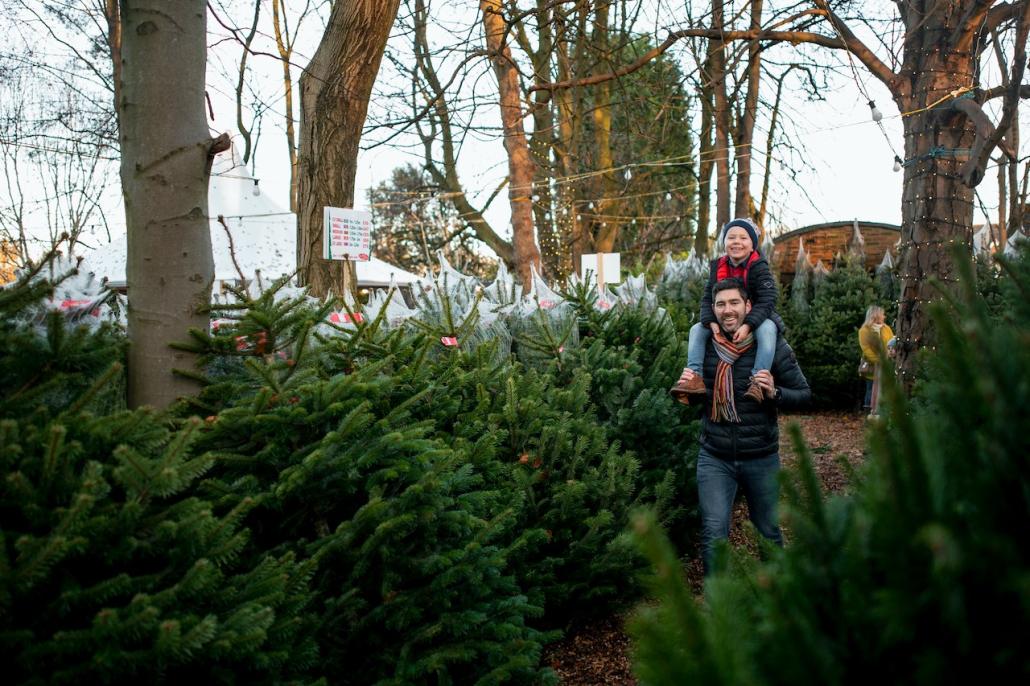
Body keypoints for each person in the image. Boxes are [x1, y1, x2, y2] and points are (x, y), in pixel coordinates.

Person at [674, 278, 811, 576]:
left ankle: (776, 602)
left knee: (768, 532)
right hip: (715, 456)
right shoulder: (703, 346)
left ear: (748, 306)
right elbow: (695, 403)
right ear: (713, 310)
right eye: (721, 304)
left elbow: (804, 395)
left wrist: (775, 393)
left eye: (734, 302)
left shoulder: (771, 346)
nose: (728, 310)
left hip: (761, 456)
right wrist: (689, 387)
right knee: (713, 535)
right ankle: (718, 610)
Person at [673, 218, 784, 404]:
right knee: (696, 330)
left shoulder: (759, 267)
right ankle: (694, 378)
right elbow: (708, 298)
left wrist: (749, 325)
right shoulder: (717, 267)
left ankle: (757, 380)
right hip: (725, 318)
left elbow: (768, 299)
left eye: (743, 238)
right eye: (731, 237)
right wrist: (712, 324)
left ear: (752, 245)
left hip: (757, 317)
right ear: (724, 243)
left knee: (767, 329)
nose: (737, 242)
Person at [858, 305, 894, 416]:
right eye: (882, 314)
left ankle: (882, 414)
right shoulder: (864, 331)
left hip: (886, 366)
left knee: (884, 390)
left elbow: (891, 343)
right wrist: (880, 359)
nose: (884, 316)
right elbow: (866, 349)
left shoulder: (886, 328)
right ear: (876, 315)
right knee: (871, 389)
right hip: (872, 366)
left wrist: (891, 353)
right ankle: (869, 415)